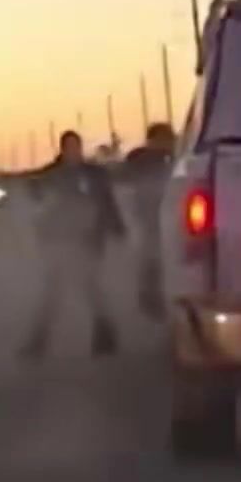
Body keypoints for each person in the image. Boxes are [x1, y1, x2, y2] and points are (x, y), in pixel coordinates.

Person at [21, 130, 127, 359]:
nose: (74, 152)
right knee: (53, 291)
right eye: (69, 148)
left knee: (92, 287)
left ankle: (105, 337)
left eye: (76, 147)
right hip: (60, 240)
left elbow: (107, 202)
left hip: (89, 240)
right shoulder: (51, 174)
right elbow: (36, 197)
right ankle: (38, 343)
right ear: (62, 149)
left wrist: (118, 228)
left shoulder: (94, 174)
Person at [122, 122, 178, 319]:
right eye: (165, 139)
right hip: (149, 217)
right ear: (153, 140)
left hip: (165, 216)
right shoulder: (141, 159)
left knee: (161, 258)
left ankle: (157, 299)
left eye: (169, 139)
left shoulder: (172, 159)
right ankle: (149, 298)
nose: (169, 143)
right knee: (151, 257)